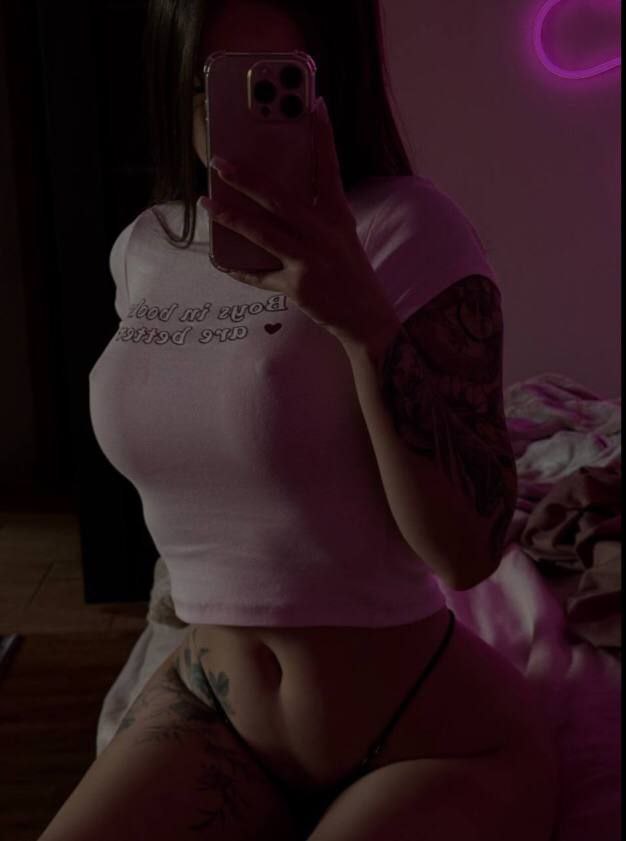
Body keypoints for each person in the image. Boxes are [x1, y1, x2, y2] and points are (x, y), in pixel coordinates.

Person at [39, 1, 559, 839]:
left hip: (424, 740)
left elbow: (467, 553)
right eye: (212, 81)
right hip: (214, 714)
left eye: (271, 83)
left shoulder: (408, 226)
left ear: (326, 82)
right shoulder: (146, 247)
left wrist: (362, 319)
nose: (236, 112)